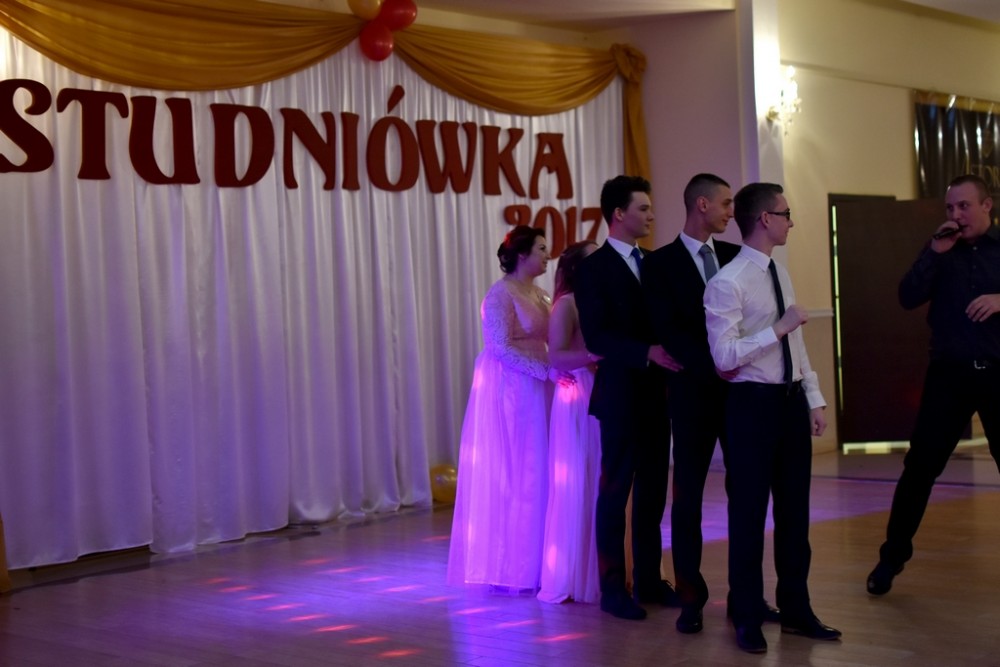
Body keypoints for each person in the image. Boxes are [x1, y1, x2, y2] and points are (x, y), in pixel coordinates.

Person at [704, 182, 841, 653]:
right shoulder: (727, 282)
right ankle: (746, 614)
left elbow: (796, 345)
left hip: (789, 402)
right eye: (785, 213)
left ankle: (797, 610)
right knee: (747, 514)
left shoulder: (779, 271)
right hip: (751, 406)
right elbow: (723, 357)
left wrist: (813, 397)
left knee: (794, 513)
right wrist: (776, 330)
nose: (791, 222)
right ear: (765, 219)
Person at [643, 173, 776, 634]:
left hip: (740, 394)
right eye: (725, 203)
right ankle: (691, 596)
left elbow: (749, 321)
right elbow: (667, 330)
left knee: (748, 494)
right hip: (692, 393)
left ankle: (747, 597)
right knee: (688, 498)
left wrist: (736, 366)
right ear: (701, 205)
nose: (730, 212)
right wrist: (717, 365)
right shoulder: (659, 264)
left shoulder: (736, 256)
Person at [867, 173, 1000, 596]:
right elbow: (907, 296)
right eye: (950, 207)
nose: (956, 215)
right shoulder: (941, 250)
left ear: (987, 206)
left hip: (997, 374)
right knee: (920, 468)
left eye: (964, 206)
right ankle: (891, 559)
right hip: (949, 376)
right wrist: (933, 252)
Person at [575, 175, 679, 620]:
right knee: (616, 491)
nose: (652, 215)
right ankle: (613, 587)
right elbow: (596, 336)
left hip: (658, 394)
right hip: (620, 395)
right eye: (644, 208)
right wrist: (645, 351)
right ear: (619, 214)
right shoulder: (593, 268)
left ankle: (650, 580)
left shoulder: (653, 263)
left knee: (653, 493)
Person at [447, 226, 572, 592]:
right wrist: (545, 372)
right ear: (521, 254)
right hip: (514, 388)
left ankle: (545, 561)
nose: (548, 255)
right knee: (522, 469)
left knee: (544, 466)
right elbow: (499, 347)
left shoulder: (542, 293)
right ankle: (516, 566)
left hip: (543, 383)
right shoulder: (500, 293)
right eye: (542, 249)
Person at [538, 240, 603, 605]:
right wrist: (596, 353)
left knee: (601, 476)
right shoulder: (566, 304)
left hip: (599, 388)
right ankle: (576, 571)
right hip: (578, 393)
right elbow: (558, 357)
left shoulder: (597, 299)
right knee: (580, 476)